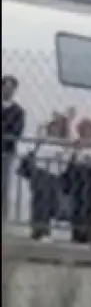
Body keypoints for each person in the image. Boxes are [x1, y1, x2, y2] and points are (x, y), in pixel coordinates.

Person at [17, 113, 70, 240]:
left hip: (54, 175)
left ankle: (44, 227)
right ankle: (38, 229)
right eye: (53, 126)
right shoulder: (43, 139)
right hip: (41, 172)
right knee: (40, 200)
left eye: (57, 127)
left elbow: (66, 158)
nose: (54, 129)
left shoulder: (63, 143)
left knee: (51, 202)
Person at [64, 117, 91, 245]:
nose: (85, 131)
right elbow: (71, 158)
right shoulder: (76, 143)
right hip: (78, 177)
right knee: (78, 204)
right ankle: (77, 232)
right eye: (83, 129)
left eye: (88, 129)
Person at [2, 75, 26, 227]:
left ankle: (2, 217)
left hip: (6, 151)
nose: (7, 90)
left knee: (3, 185)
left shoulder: (18, 111)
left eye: (11, 88)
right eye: (5, 87)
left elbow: (16, 131)